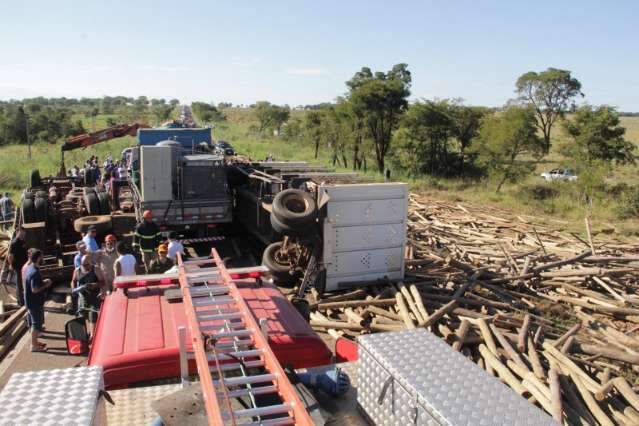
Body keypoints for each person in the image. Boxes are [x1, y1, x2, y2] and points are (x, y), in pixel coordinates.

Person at [24, 249, 53, 352]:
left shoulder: (30, 268)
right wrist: (46, 284)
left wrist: (43, 281)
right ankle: (33, 346)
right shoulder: (34, 272)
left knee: (34, 323)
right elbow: (35, 289)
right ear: (38, 259)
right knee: (36, 324)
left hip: (31, 302)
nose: (43, 259)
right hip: (34, 303)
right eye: (42, 257)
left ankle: (35, 342)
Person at [71, 254, 104, 336]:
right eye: (83, 265)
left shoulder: (96, 269)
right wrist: (74, 289)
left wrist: (93, 285)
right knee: (81, 316)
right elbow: (73, 281)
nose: (85, 267)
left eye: (87, 265)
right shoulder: (77, 270)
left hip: (94, 296)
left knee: (92, 315)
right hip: (82, 296)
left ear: (90, 262)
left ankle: (93, 336)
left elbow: (103, 282)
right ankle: (83, 336)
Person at [7, 226, 28, 306]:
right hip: (18, 267)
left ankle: (24, 299)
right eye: (22, 232)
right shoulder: (14, 243)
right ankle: (21, 302)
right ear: (18, 232)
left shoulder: (23, 241)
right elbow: (10, 256)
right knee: (19, 284)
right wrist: (11, 265)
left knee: (23, 283)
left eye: (24, 232)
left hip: (24, 266)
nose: (24, 233)